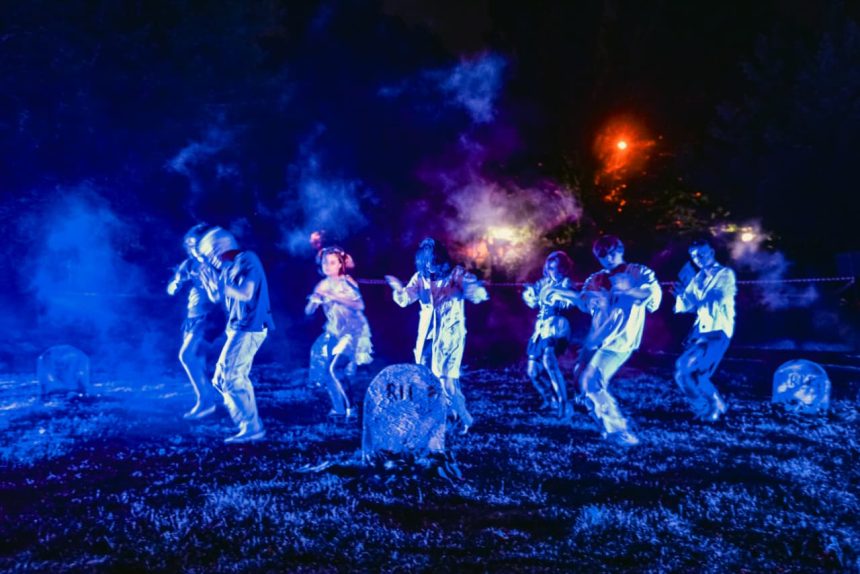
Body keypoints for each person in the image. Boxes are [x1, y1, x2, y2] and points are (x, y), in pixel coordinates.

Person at [551, 235, 661, 446]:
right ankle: (603, 424)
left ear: (620, 250)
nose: (608, 259)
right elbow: (583, 303)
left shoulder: (638, 272)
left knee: (590, 380)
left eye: (611, 253)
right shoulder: (596, 278)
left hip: (620, 340)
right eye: (602, 256)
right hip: (596, 339)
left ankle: (619, 431)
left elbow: (652, 296)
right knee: (579, 378)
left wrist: (628, 290)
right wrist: (560, 292)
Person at [385, 237, 488, 434]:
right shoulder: (420, 278)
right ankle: (440, 417)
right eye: (424, 262)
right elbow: (405, 299)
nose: (429, 266)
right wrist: (398, 289)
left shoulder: (456, 274)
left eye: (432, 261)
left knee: (447, 381)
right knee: (425, 375)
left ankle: (463, 418)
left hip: (449, 336)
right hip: (428, 335)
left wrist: (473, 289)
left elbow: (475, 292)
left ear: (441, 259)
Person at [197, 226, 275, 444]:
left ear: (220, 247)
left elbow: (246, 293)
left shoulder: (247, 259)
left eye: (209, 253)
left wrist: (222, 287)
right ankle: (249, 424)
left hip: (251, 326)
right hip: (238, 328)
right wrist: (211, 285)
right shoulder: (227, 268)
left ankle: (252, 428)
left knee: (231, 377)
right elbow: (217, 297)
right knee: (221, 379)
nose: (209, 259)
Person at [672, 238, 736, 422]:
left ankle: (710, 408)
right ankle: (713, 406)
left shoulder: (725, 274)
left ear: (711, 253)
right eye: (694, 256)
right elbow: (686, 307)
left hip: (718, 331)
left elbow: (718, 297)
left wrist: (691, 294)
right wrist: (682, 295)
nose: (698, 259)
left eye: (702, 254)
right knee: (690, 373)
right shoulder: (697, 278)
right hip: (700, 331)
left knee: (688, 369)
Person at [305, 246, 373, 418]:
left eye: (332, 263)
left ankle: (352, 408)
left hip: (352, 331)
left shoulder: (348, 281)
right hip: (334, 331)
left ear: (340, 264)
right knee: (327, 372)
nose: (327, 266)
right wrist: (314, 301)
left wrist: (334, 297)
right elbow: (309, 311)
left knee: (335, 369)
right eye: (325, 263)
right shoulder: (322, 285)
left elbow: (360, 305)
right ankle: (339, 408)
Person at [167, 223, 220, 420]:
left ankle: (205, 401)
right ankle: (210, 401)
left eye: (197, 244)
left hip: (210, 315)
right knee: (197, 359)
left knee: (186, 355)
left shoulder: (217, 264)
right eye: (190, 245)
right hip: (192, 315)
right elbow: (172, 288)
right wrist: (175, 284)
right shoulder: (189, 265)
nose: (193, 249)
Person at [522, 251, 575, 418]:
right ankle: (550, 399)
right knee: (533, 372)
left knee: (549, 363)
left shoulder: (566, 283)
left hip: (557, 327)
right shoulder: (543, 283)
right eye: (551, 268)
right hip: (541, 328)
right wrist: (530, 294)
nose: (555, 271)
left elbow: (571, 304)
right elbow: (533, 302)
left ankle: (564, 404)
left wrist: (559, 296)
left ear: (564, 268)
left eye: (559, 268)